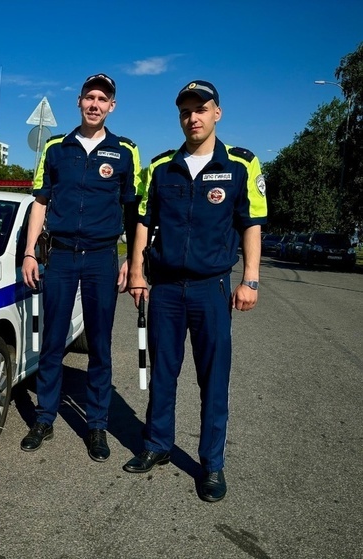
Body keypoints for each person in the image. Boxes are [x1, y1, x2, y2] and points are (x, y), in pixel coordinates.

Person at [122, 80, 268, 501]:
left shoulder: (241, 165)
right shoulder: (161, 166)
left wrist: (251, 279)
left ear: (217, 113)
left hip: (212, 289)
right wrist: (136, 271)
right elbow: (144, 222)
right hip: (165, 287)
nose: (193, 117)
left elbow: (251, 225)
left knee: (213, 380)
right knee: (162, 375)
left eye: (200, 109)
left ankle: (212, 465)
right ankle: (156, 445)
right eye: (185, 111)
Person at [20, 73, 141, 462]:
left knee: (100, 346)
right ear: (78, 102)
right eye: (89, 97)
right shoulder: (56, 148)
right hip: (62, 256)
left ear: (112, 107)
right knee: (53, 341)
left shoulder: (126, 152)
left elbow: (135, 211)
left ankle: (96, 425)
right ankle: (44, 418)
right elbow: (40, 201)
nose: (95, 104)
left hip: (103, 258)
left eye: (102, 99)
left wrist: (133, 262)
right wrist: (28, 253)